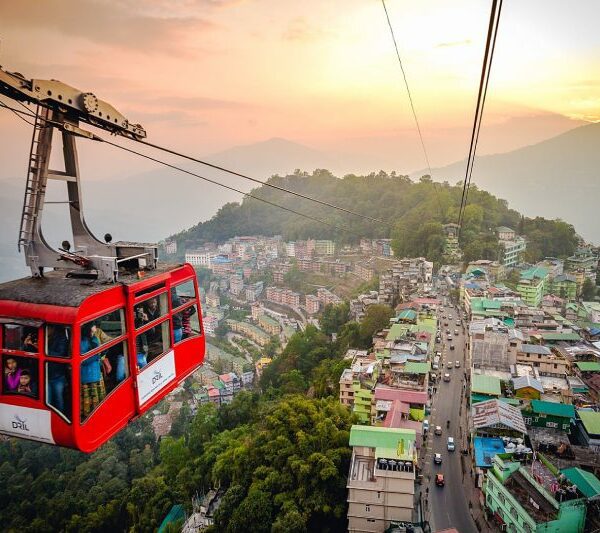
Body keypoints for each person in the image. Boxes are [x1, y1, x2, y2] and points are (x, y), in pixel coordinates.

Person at [80, 323, 104, 419]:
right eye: (94, 326)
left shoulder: (94, 338)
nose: (95, 328)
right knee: (90, 399)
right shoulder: (81, 342)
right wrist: (97, 355)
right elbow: (83, 360)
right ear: (89, 328)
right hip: (88, 375)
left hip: (96, 372)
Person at [47, 326, 70, 413]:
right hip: (44, 375)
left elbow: (60, 354)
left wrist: (42, 348)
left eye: (48, 328)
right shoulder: (40, 337)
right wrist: (27, 344)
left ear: (53, 328)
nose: (47, 330)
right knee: (47, 401)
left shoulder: (62, 339)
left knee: (58, 399)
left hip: (57, 375)